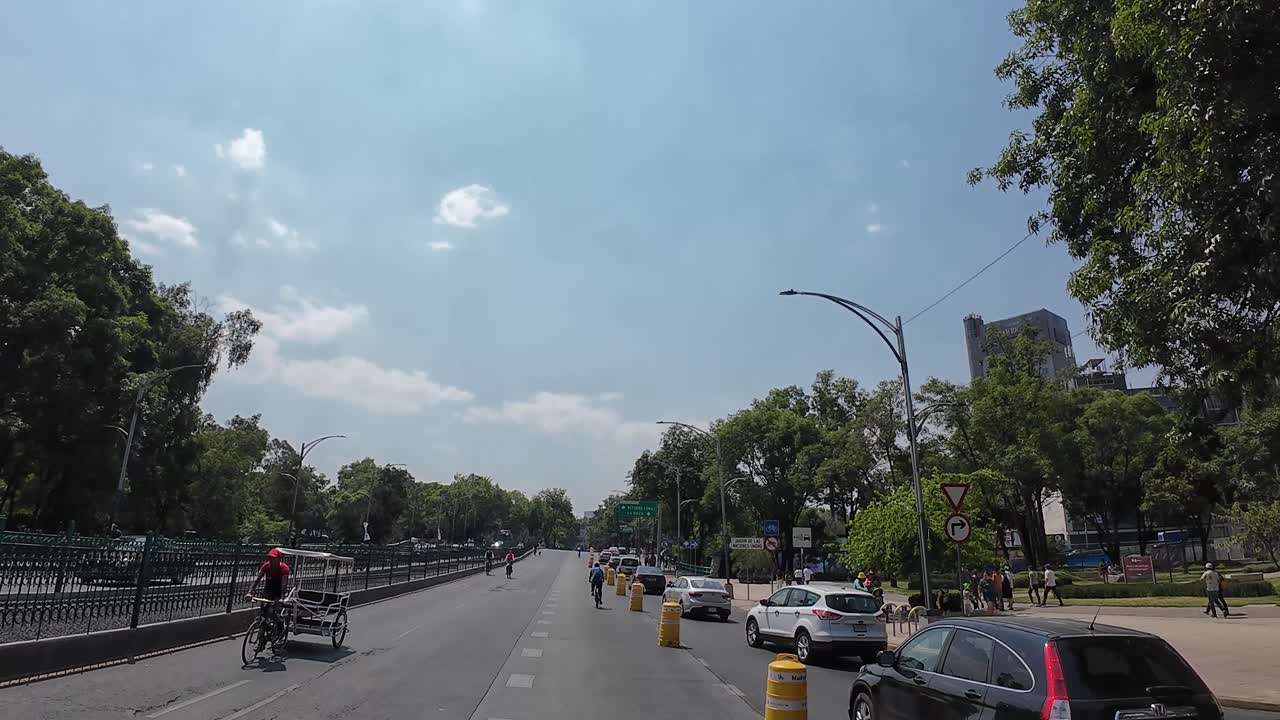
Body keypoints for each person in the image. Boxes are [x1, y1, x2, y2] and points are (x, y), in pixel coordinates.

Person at [246, 548, 291, 638]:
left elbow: (284, 584)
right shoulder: (266, 566)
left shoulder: (284, 568)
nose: (271, 560)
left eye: (273, 558)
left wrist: (281, 598)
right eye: (270, 558)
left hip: (278, 590)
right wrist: (249, 592)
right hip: (268, 589)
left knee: (275, 611)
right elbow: (256, 580)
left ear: (279, 559)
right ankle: (265, 626)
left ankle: (279, 626)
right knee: (264, 611)